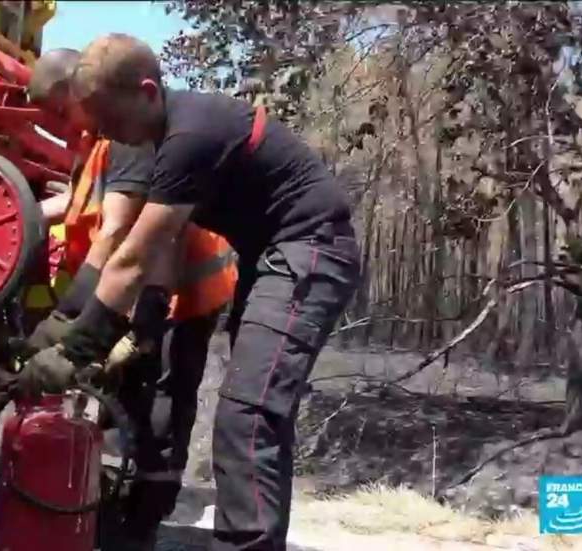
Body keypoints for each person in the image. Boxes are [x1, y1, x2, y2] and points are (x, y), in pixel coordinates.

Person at [18, 34, 362, 551]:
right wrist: (119, 322)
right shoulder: (164, 137)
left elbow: (131, 255)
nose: (104, 134)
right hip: (276, 258)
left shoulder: (190, 135)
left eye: (110, 121)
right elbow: (163, 246)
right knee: (253, 418)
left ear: (148, 92)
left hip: (309, 254)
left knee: (248, 417)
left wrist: (75, 347)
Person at [23, 48, 238, 550]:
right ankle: (113, 515)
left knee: (158, 412)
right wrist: (24, 213)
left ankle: (138, 525)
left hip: (177, 300)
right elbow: (87, 208)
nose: (63, 124)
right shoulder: (99, 140)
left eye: (62, 111)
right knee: (124, 405)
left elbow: (123, 233)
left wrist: (73, 318)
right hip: (139, 294)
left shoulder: (127, 138)